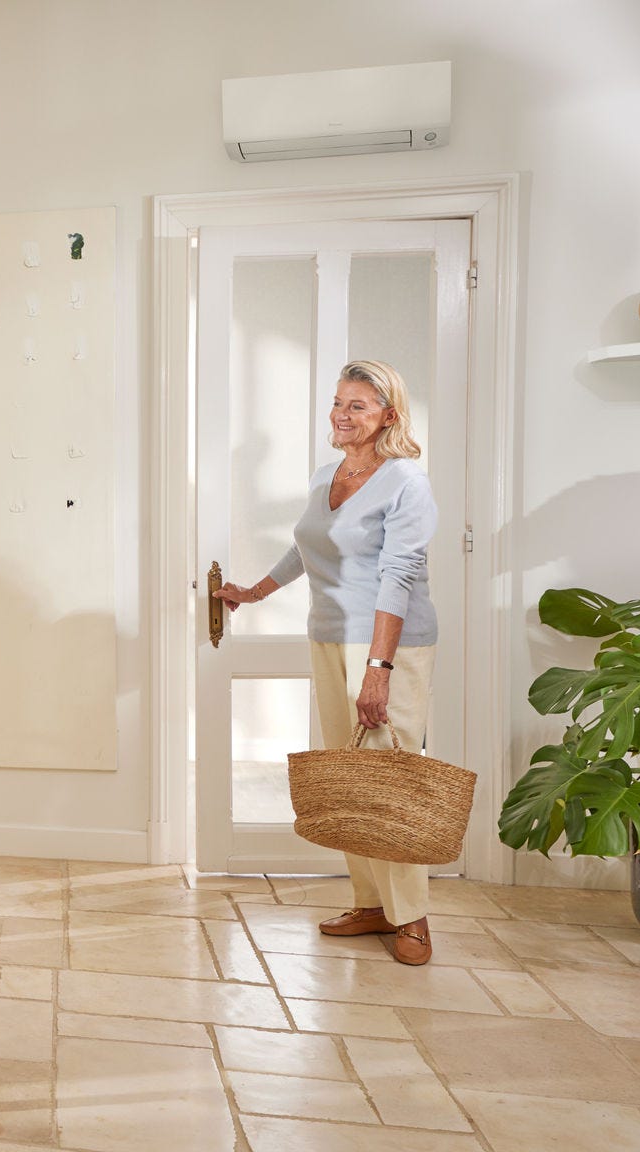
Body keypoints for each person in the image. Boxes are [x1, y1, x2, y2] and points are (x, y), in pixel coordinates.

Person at [214, 360, 441, 966]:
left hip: (389, 646)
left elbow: (399, 577)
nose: (341, 415)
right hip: (328, 637)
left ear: (389, 416)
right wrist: (254, 592)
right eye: (338, 403)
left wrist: (378, 669)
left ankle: (411, 917)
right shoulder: (329, 473)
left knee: (388, 782)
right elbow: (306, 545)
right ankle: (372, 903)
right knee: (349, 782)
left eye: (358, 406)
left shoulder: (406, 483)